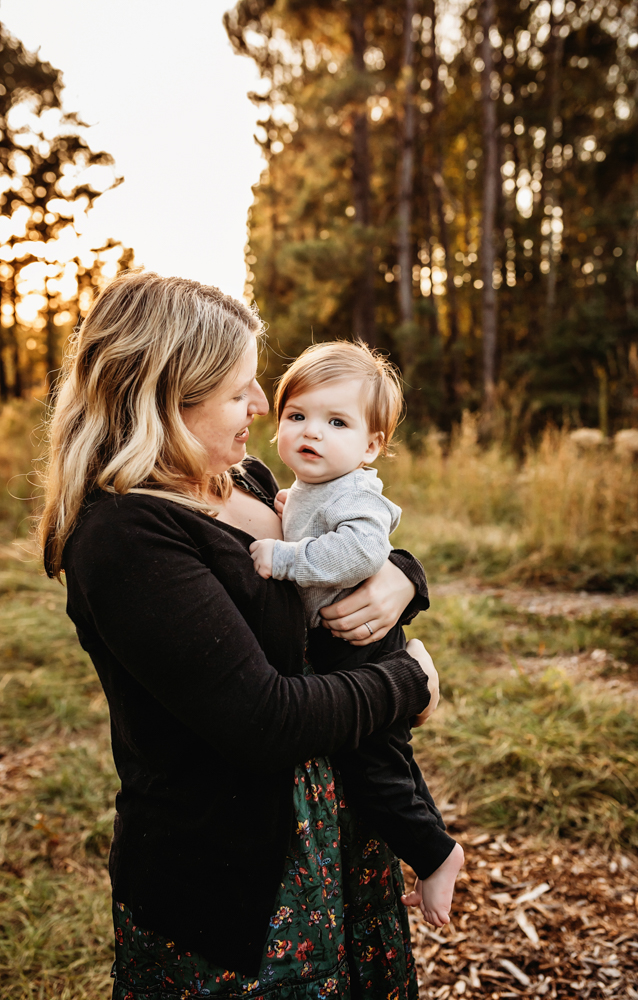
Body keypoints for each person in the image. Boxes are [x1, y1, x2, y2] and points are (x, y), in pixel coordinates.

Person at [39, 270, 445, 1000]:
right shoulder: (126, 535)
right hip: (232, 879)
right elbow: (263, 719)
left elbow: (341, 548)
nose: (262, 407)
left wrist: (403, 578)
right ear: (162, 395)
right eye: (238, 391)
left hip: (335, 829)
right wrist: (411, 682)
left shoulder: (247, 478)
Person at [249, 341, 464, 928]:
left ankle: (435, 854)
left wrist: (286, 556)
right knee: (389, 754)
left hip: (360, 644)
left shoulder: (356, 491)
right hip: (342, 645)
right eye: (297, 416)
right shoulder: (313, 489)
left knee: (374, 768)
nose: (310, 432)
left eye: (335, 422)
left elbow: (363, 549)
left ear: (371, 446)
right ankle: (436, 842)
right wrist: (294, 507)